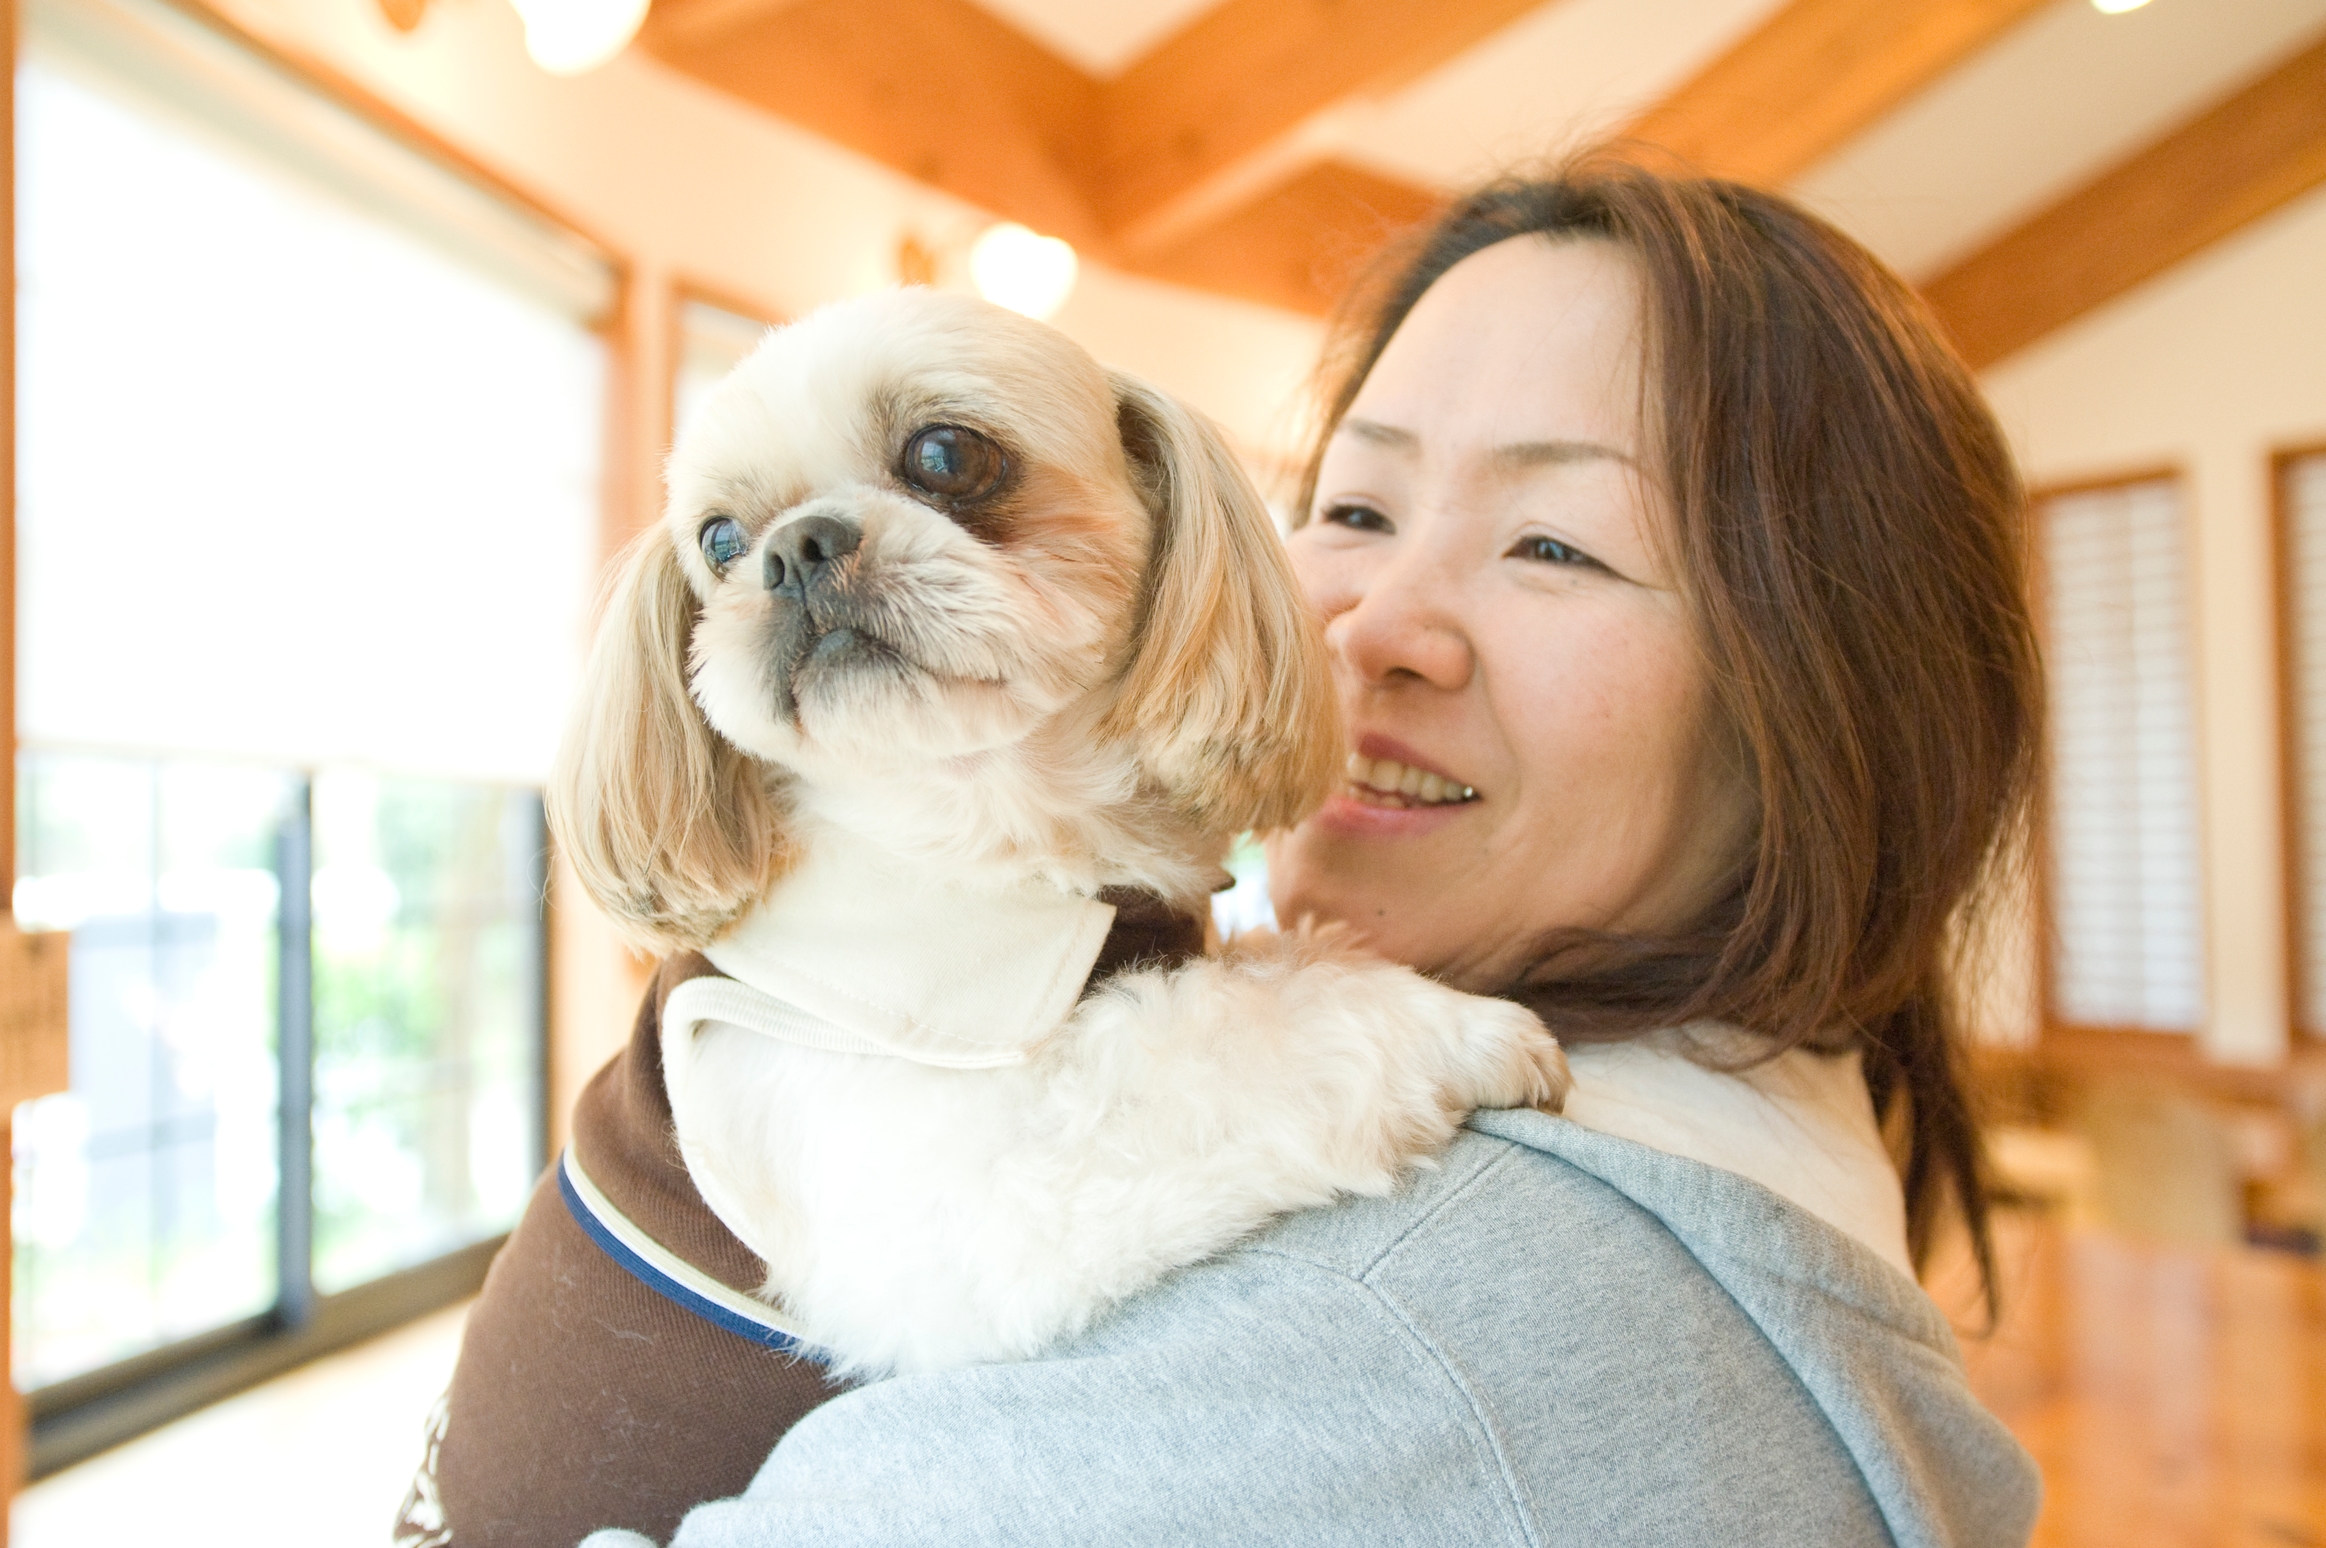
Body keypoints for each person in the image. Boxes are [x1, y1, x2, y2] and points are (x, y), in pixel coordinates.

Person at [581, 155, 2044, 1547]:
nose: (1370, 624)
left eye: (1554, 544)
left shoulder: (1414, 1330)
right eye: (1351, 508)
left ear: (1851, 693)